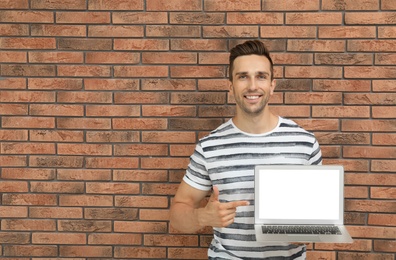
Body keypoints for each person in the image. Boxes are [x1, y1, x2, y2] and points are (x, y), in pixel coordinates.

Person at [170, 40, 322, 259]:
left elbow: (316, 214)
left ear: (272, 85)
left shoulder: (304, 143)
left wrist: (309, 229)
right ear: (231, 86)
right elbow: (177, 214)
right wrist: (202, 217)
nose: (252, 86)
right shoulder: (209, 146)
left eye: (261, 76)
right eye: (243, 76)